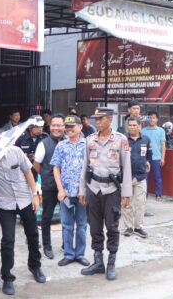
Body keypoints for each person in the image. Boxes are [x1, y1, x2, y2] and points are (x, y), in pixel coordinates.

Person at [0, 128, 45, 296]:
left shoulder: (16, 151)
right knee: (8, 240)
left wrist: (35, 195)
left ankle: (35, 267)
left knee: (32, 235)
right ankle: (7, 278)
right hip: (5, 204)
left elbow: (28, 172)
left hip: (25, 199)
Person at [79, 107, 132, 281]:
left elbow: (127, 167)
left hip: (112, 190)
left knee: (112, 226)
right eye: (96, 119)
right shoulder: (89, 140)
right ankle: (98, 261)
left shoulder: (120, 140)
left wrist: (126, 193)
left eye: (100, 119)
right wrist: (82, 190)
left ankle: (111, 262)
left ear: (110, 119)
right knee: (94, 227)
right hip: (93, 188)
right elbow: (85, 167)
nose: (97, 122)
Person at [50, 115, 90, 267]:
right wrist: (60, 189)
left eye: (72, 127)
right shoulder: (61, 146)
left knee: (81, 225)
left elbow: (92, 169)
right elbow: (56, 168)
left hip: (82, 194)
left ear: (80, 127)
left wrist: (86, 190)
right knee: (66, 225)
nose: (69, 130)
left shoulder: (87, 145)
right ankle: (68, 254)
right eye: (67, 127)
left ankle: (79, 254)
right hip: (65, 194)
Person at [32, 114, 65, 260]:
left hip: (67, 187)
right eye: (54, 125)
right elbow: (36, 165)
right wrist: (46, 176)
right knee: (47, 216)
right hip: (50, 187)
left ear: (64, 127)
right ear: (49, 126)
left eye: (59, 125)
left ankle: (67, 245)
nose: (56, 128)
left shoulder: (69, 141)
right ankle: (47, 246)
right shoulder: (43, 144)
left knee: (68, 217)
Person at [122, 117, 152, 238]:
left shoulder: (146, 139)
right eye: (130, 125)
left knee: (140, 203)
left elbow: (149, 154)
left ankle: (138, 227)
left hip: (141, 176)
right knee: (126, 203)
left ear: (140, 126)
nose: (132, 127)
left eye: (135, 125)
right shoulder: (123, 140)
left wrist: (148, 161)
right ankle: (128, 227)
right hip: (126, 177)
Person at [142, 111, 167, 202]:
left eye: (154, 117)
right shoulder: (143, 130)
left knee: (158, 177)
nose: (152, 119)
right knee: (145, 178)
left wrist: (163, 158)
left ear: (157, 119)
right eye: (150, 117)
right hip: (145, 158)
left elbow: (163, 145)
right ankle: (145, 195)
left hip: (157, 158)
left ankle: (158, 195)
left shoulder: (161, 131)